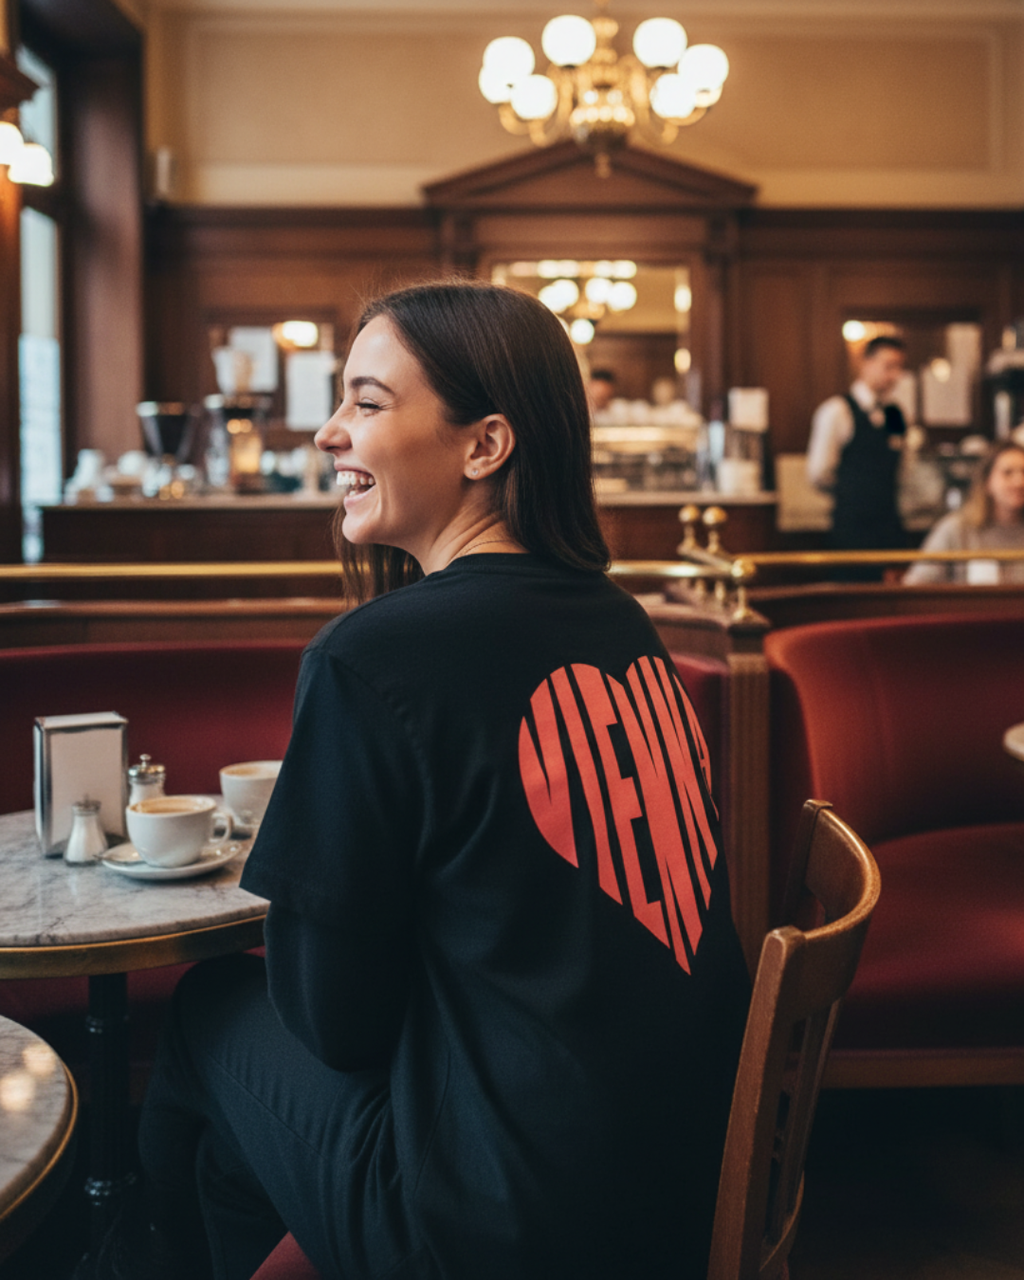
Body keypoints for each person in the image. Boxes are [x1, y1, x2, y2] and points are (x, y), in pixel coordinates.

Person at [84, 281, 749, 1280]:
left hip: (502, 1222)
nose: (326, 433)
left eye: (367, 400)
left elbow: (335, 1027)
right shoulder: (621, 621)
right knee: (239, 1135)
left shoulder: (375, 655)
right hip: (672, 1180)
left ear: (484, 445)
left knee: (209, 1009)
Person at [806, 335, 909, 563]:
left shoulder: (897, 414)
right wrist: (853, 490)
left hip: (890, 524)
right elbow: (819, 473)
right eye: (888, 366)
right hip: (852, 527)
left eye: (899, 368)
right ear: (866, 363)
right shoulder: (836, 411)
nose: (895, 375)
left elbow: (903, 470)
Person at [904, 440, 1024, 584]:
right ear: (987, 481)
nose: (1019, 482)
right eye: (1007, 473)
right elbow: (917, 584)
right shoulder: (956, 529)